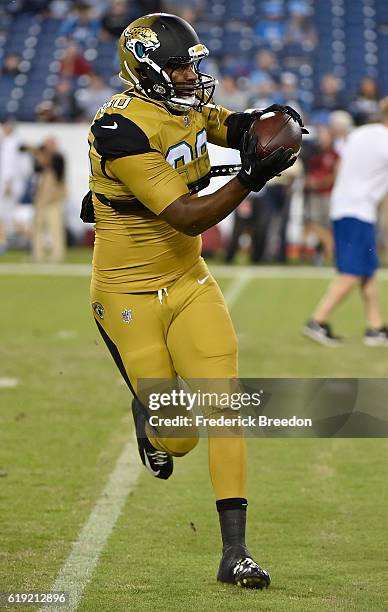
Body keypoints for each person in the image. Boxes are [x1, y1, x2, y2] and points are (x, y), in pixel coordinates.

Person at [86, 12, 305, 588]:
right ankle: (147, 415)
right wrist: (251, 178)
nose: (191, 76)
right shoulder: (120, 129)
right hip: (127, 291)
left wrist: (275, 123)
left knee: (225, 407)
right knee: (178, 436)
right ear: (147, 71)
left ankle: (236, 552)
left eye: (193, 65)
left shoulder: (189, 108)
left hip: (189, 282)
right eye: (179, 66)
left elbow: (235, 126)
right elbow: (187, 216)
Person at [304, 97, 388, 346]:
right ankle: (317, 321)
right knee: (352, 273)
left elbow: (340, 165)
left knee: (366, 273)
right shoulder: (384, 140)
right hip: (358, 210)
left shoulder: (362, 133)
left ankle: (375, 328)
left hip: (345, 206)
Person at [28, 138, 66, 262]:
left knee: (55, 227)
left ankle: (57, 254)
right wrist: (39, 156)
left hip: (54, 198)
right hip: (41, 198)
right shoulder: (40, 159)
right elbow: (36, 170)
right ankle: (37, 253)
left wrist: (45, 158)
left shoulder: (59, 158)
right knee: (37, 226)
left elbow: (59, 175)